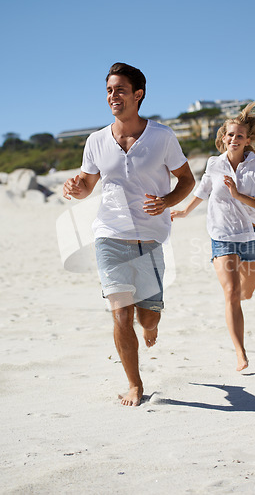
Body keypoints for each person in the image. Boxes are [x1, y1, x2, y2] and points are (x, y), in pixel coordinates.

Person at [63, 62, 195, 406]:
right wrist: (75, 189)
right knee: (120, 312)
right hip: (110, 235)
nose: (112, 96)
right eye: (109, 90)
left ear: (138, 94)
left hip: (151, 239)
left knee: (147, 315)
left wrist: (166, 201)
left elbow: (187, 180)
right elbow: (87, 185)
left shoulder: (162, 137)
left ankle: (150, 326)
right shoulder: (95, 141)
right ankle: (135, 384)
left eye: (119, 89)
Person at [171, 95, 255, 371]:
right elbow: (202, 191)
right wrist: (183, 211)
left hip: (251, 235)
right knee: (231, 292)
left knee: (246, 294)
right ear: (224, 138)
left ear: (248, 140)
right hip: (221, 236)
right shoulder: (214, 164)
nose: (234, 139)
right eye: (230, 135)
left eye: (240, 135)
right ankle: (240, 352)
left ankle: (236, 313)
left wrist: (237, 194)